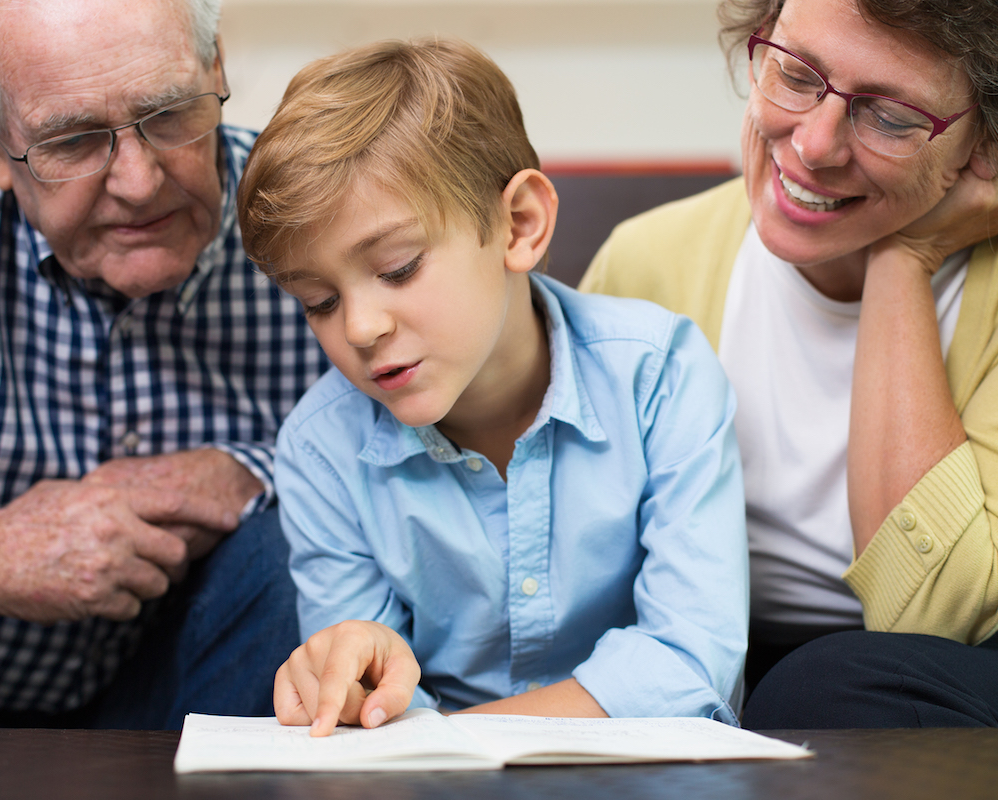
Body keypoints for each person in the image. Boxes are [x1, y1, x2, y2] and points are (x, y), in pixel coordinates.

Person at [236, 38, 748, 737]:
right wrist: (358, 683)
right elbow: (374, 715)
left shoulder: (662, 376)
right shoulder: (320, 449)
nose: (358, 327)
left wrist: (450, 736)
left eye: (397, 268)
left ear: (519, 225)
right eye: (318, 301)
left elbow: (689, 664)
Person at [0, 0, 327, 729]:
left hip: (187, 686)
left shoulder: (318, 214)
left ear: (216, 66)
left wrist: (262, 469)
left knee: (289, 542)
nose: (139, 183)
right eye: (73, 140)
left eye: (169, 114)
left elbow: (464, 459)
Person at [580, 0, 998, 728]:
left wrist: (905, 259)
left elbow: (933, 613)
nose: (815, 144)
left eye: (890, 118)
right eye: (796, 75)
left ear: (988, 139)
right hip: (732, 654)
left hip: (984, 657)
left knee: (823, 689)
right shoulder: (647, 264)